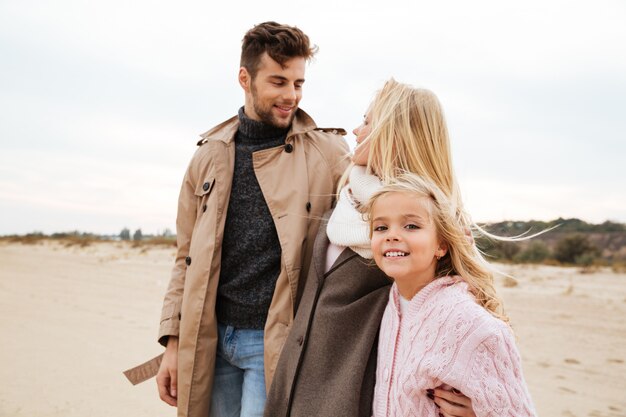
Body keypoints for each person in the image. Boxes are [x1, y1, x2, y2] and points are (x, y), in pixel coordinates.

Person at [123, 22, 349, 417]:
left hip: (275, 341)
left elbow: (373, 216)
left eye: (298, 83)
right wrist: (174, 343)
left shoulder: (327, 153)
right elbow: (186, 259)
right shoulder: (208, 155)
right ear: (244, 78)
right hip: (210, 340)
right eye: (278, 82)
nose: (290, 96)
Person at [265, 80, 477, 417]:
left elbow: (460, 313)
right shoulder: (348, 196)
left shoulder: (429, 227)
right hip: (293, 389)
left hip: (355, 399)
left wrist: (475, 398)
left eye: (367, 121)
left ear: (393, 133)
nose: (356, 129)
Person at [366, 173, 537, 416]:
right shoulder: (393, 302)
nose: (391, 235)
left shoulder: (469, 322)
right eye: (381, 227)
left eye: (411, 226)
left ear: (441, 245)